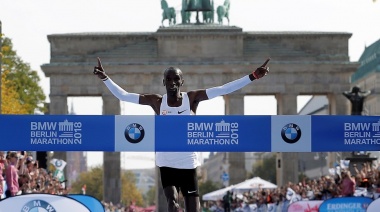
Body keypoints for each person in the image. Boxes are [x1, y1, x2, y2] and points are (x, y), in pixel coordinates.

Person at [93, 57, 270, 212]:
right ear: (163, 82)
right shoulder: (157, 102)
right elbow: (124, 96)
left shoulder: (192, 98)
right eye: (168, 79)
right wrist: (105, 78)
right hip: (166, 163)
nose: (172, 82)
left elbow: (223, 89)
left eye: (176, 79)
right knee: (172, 204)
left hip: (188, 164)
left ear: (182, 81)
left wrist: (253, 76)